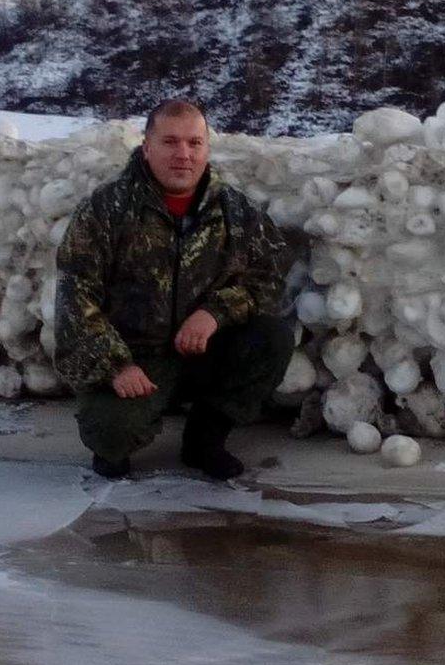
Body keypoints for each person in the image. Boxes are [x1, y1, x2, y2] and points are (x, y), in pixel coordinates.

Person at [54, 99, 294, 480]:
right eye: (170, 142)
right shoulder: (106, 210)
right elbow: (74, 298)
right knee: (110, 435)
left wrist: (215, 312)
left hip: (204, 350)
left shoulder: (233, 210)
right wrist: (116, 366)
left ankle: (205, 439)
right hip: (136, 358)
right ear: (147, 148)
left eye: (194, 143)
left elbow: (270, 274)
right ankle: (121, 430)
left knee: (272, 338)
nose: (184, 154)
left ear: (206, 149)